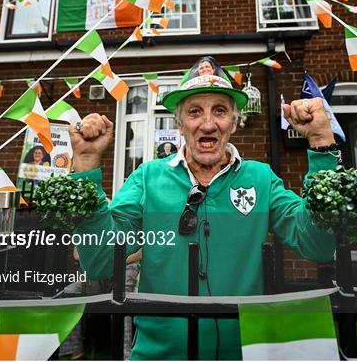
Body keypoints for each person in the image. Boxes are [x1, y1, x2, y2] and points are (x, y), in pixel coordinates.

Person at [69, 56, 340, 360]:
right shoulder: (148, 178)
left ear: (234, 123)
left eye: (220, 111)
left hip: (243, 354)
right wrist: (85, 169)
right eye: (195, 111)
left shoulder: (260, 178)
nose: (208, 123)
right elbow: (102, 260)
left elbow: (315, 244)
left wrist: (321, 143)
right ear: (179, 124)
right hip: (159, 356)